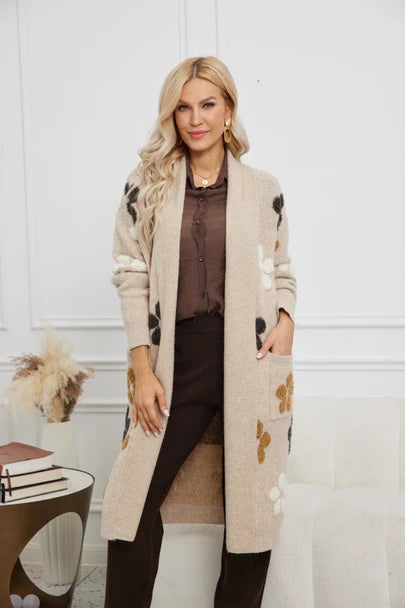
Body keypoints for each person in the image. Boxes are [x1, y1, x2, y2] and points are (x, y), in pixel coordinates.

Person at [103, 55, 297, 607]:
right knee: (131, 503)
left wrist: (286, 320)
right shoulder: (148, 185)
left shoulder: (263, 189)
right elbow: (131, 274)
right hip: (175, 360)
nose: (195, 119)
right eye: (183, 108)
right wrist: (142, 368)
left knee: (250, 513)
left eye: (208, 104)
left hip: (249, 359)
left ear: (229, 110)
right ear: (172, 115)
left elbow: (282, 268)